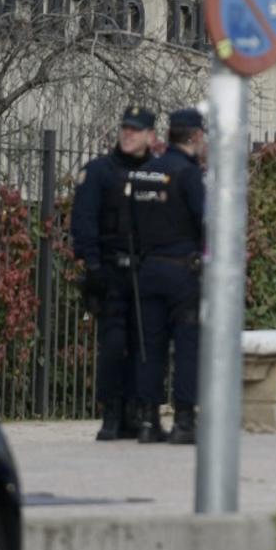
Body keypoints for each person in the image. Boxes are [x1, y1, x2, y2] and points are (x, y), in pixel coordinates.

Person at [70, 105, 156, 442]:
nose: (128, 134)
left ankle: (137, 411)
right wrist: (92, 266)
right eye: (125, 128)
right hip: (110, 269)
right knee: (113, 344)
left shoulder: (156, 172)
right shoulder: (99, 172)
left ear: (150, 136)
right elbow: (84, 222)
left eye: (135, 130)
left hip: (146, 271)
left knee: (144, 345)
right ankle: (112, 412)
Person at [128, 107, 207, 444]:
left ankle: (148, 421)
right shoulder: (189, 175)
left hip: (147, 271)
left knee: (151, 347)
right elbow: (206, 220)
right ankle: (184, 422)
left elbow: (129, 220)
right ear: (196, 137)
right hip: (181, 273)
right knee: (187, 346)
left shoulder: (145, 173)